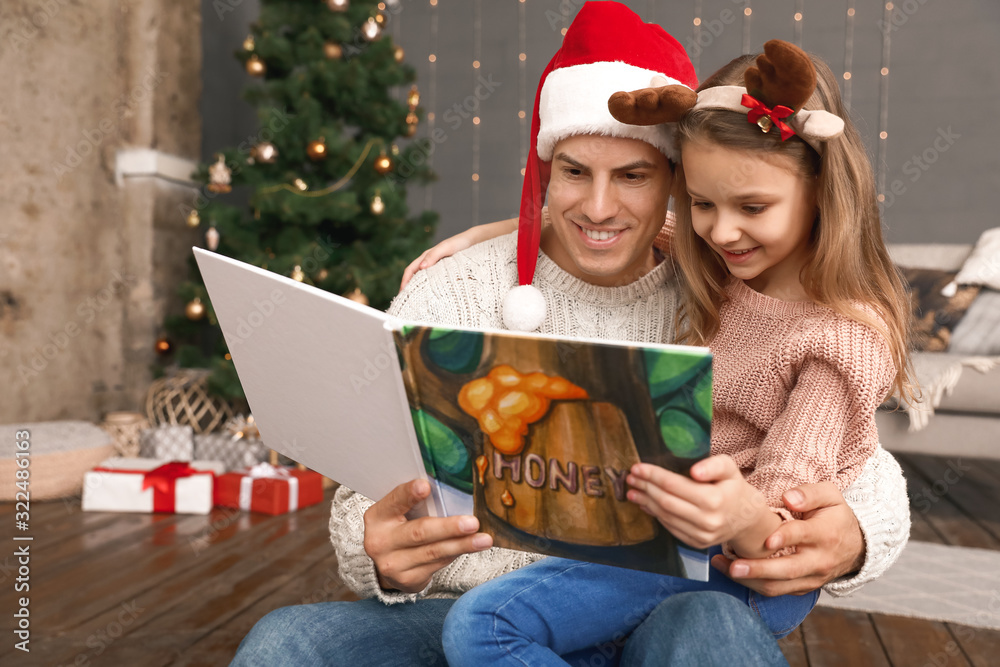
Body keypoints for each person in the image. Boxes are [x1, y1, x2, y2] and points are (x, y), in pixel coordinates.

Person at [231, 5, 909, 665]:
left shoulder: (712, 278)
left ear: (673, 181)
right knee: (286, 643)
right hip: (481, 614)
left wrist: (853, 533)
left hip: (665, 605)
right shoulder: (448, 290)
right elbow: (363, 492)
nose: (600, 207)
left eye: (634, 176)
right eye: (574, 172)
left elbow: (853, 453)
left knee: (704, 621)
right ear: (543, 174)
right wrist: (379, 550)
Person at [437, 39, 914, 665]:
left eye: (752, 207)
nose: (721, 230)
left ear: (823, 192)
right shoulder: (725, 266)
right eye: (702, 204)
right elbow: (612, 224)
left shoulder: (840, 337)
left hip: (742, 560)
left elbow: (780, 522)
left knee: (488, 624)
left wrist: (738, 513)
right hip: (677, 540)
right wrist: (495, 232)